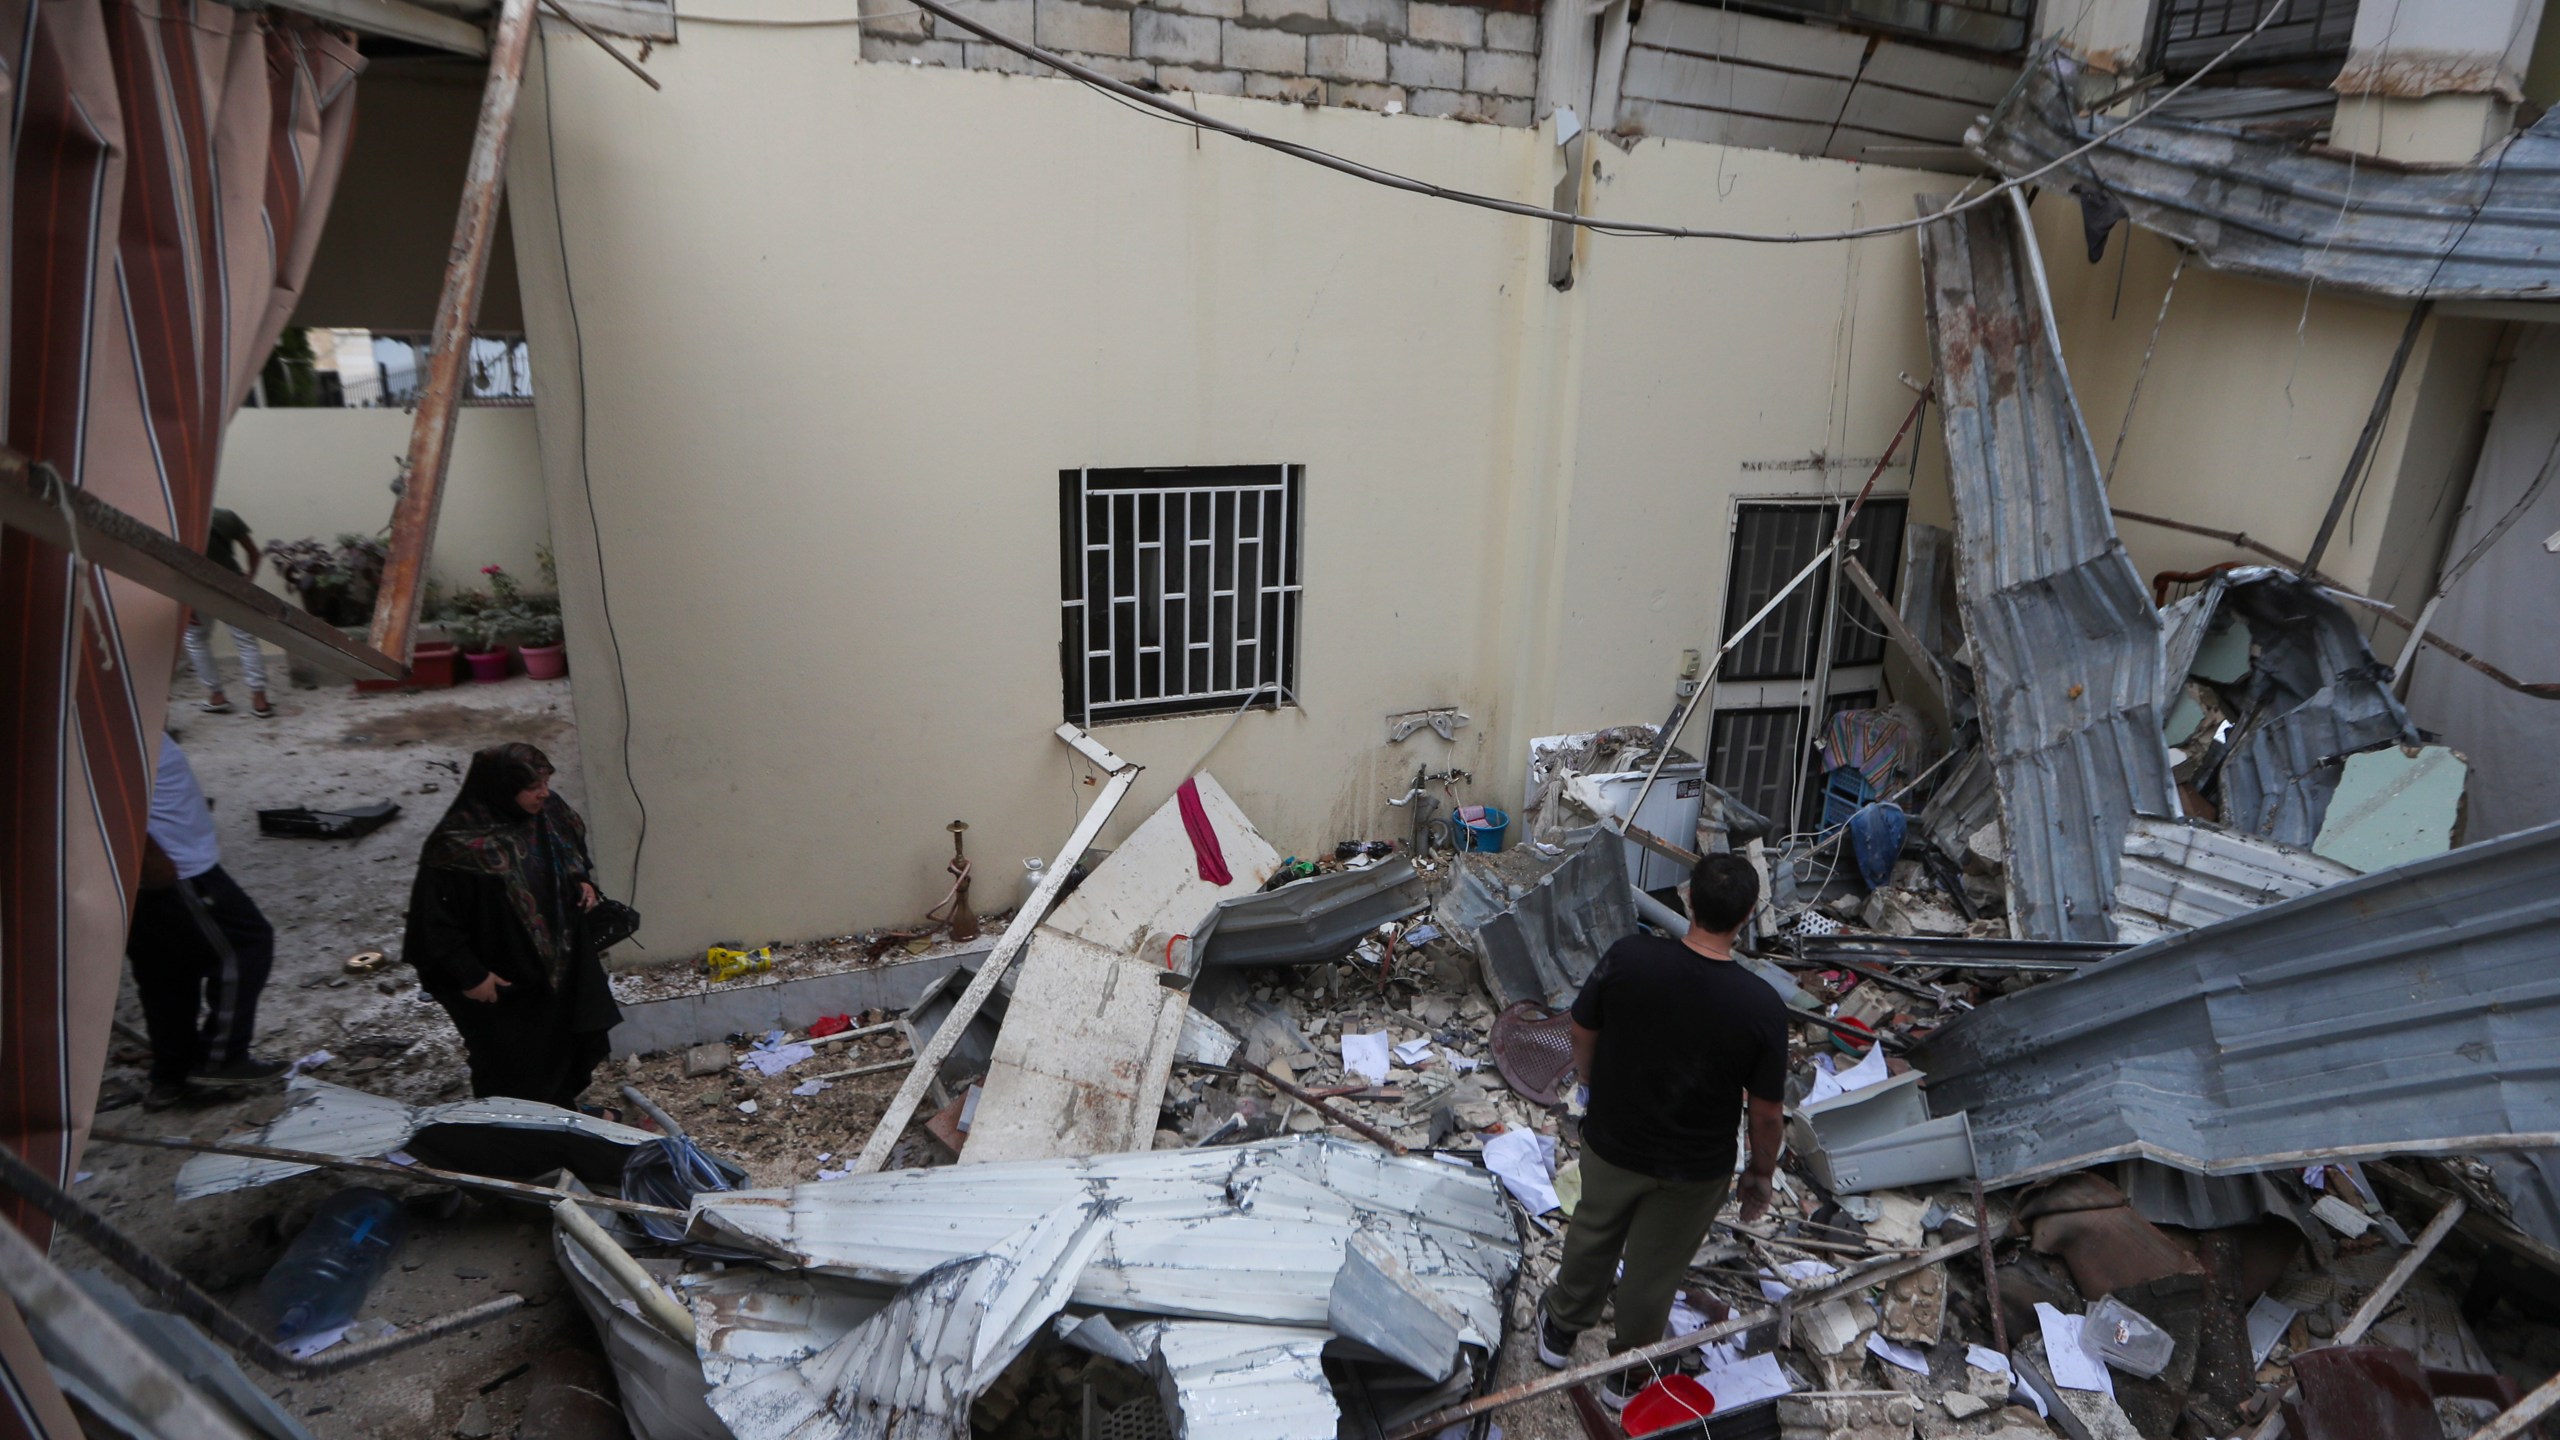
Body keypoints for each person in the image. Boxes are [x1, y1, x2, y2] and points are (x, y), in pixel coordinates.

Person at [1537, 853, 1788, 1409]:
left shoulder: (1630, 959)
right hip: (1695, 1169)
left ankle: (1558, 1334)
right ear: (1747, 915)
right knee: (1656, 1269)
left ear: (1688, 899)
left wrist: (1588, 1082)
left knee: (1593, 1233)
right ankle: (1623, 1379)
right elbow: (1766, 1114)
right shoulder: (1762, 1006)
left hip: (1613, 1141)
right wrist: (1760, 1174)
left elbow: (1581, 1027)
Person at [403, 743, 619, 1108]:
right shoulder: (456, 849)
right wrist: (470, 976)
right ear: (502, 789)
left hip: (555, 967)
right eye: (533, 787)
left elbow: (570, 854)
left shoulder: (545, 813)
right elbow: (433, 923)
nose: (544, 793)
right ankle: (518, 1142)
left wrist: (583, 882)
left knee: (560, 1046)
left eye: (546, 782)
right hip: (501, 981)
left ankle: (561, 1118)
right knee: (511, 1062)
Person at [127, 734, 287, 1108]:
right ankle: (222, 1057)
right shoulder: (104, 714)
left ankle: (171, 1077)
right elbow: (102, 793)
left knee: (167, 973)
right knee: (245, 946)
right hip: (177, 869)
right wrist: (150, 859)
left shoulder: (118, 704)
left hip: (164, 866)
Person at [185, 507, 273, 718]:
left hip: (197, 588)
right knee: (245, 640)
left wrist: (184, 602)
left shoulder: (180, 519)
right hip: (232, 583)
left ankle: (217, 696)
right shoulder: (225, 517)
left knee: (195, 639)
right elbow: (254, 553)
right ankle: (259, 699)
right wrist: (248, 579)